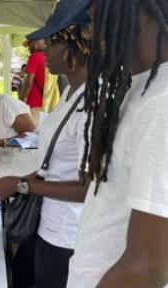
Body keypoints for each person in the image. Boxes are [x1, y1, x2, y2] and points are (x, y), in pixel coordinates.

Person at [0, 1, 92, 287]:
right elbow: (52, 165)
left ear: (75, 46)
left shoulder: (93, 104)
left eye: (50, 45)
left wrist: (22, 185)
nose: (43, 53)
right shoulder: (69, 96)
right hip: (48, 226)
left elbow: (89, 187)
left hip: (68, 236)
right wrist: (20, 179)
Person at [68, 0, 168, 287]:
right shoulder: (139, 89)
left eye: (94, 18)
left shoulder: (161, 104)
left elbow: (150, 266)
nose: (89, 34)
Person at [19, 39, 46, 125]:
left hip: (35, 102)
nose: (28, 48)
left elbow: (28, 83)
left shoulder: (34, 57)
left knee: (32, 134)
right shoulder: (47, 56)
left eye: (29, 45)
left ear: (35, 43)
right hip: (47, 101)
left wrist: (20, 101)